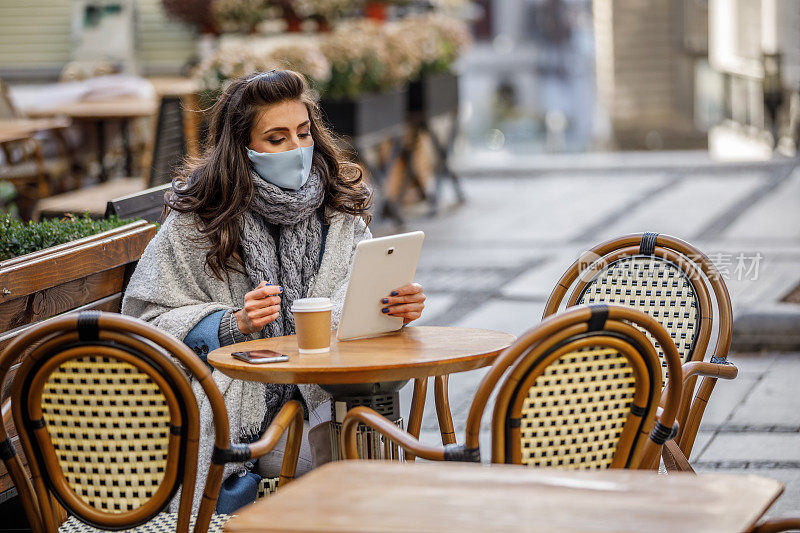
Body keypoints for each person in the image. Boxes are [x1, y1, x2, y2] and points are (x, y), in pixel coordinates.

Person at [121, 69, 426, 511]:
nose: (298, 149)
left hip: (329, 398)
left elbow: (355, 310)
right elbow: (145, 318)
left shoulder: (338, 210)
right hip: (250, 418)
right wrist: (230, 324)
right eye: (277, 138)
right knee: (361, 468)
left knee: (368, 453)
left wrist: (396, 307)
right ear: (241, 146)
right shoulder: (199, 220)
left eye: (303, 133)